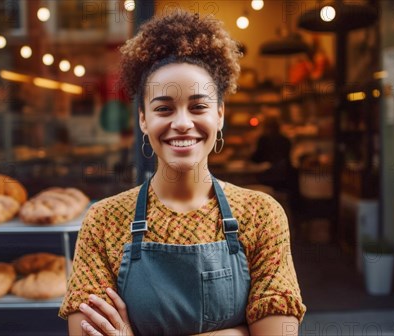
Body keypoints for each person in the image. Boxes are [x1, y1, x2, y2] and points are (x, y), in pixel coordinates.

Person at [59, 10, 306, 336]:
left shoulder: (261, 215)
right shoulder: (104, 220)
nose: (182, 123)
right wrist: (239, 331)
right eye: (163, 108)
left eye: (198, 106)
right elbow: (85, 331)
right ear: (143, 119)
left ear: (219, 114)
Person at [251, 118, 298, 195]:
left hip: (268, 177)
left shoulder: (263, 139)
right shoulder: (286, 140)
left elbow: (255, 158)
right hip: (285, 177)